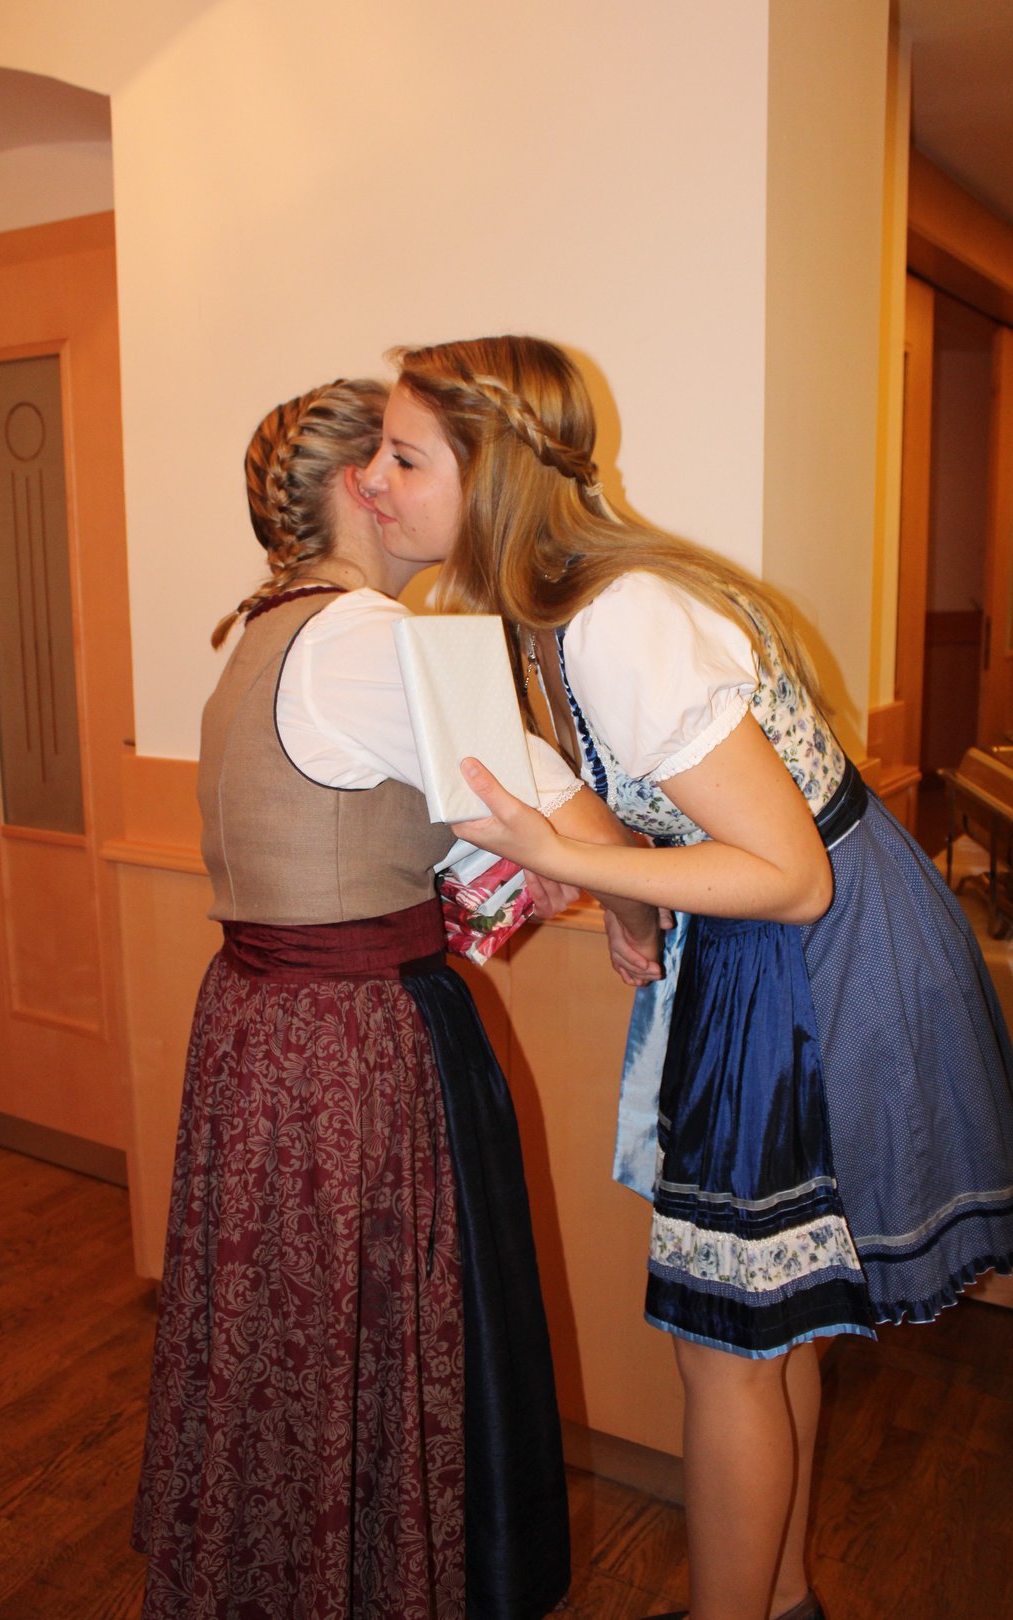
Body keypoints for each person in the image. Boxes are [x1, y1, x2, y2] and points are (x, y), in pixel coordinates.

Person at [356, 336, 1013, 1620]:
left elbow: (792, 875)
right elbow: (679, 820)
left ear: (492, 478)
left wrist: (564, 856)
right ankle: (779, 1603)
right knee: (765, 1328)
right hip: (767, 952)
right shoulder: (547, 616)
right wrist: (622, 893)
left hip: (813, 957)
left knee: (725, 1346)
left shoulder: (617, 622)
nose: (374, 480)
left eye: (404, 457)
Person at [131, 376, 657, 1620]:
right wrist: (637, 916)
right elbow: (552, 812)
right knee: (365, 1330)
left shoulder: (260, 639)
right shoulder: (375, 641)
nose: (420, 484)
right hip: (350, 1043)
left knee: (285, 1329)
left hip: (256, 1028)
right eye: (407, 459)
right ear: (359, 487)